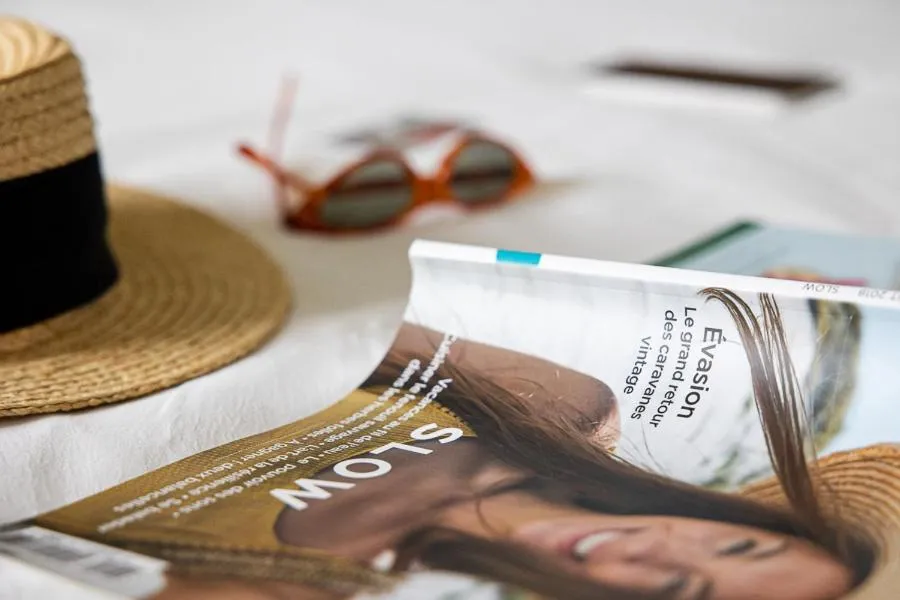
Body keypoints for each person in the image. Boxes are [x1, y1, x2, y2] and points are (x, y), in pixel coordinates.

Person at [153, 290, 883, 600]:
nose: (658, 552)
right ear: (728, 517)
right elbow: (345, 329)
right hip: (177, 323)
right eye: (737, 546)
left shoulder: (288, 587)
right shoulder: (566, 410)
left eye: (678, 592)